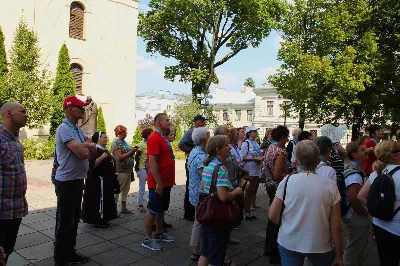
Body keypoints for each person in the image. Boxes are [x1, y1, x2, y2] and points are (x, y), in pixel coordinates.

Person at [268, 140, 344, 266]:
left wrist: (288, 224)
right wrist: (339, 255)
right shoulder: (330, 185)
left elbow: (272, 216)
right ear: (318, 160)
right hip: (320, 244)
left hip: (289, 241)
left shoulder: (287, 181)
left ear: (297, 160)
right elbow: (336, 227)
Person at [54, 96, 96, 265]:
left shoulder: (76, 129)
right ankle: (61, 258)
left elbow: (90, 151)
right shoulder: (65, 129)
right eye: (80, 108)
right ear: (70, 109)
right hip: (67, 182)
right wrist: (87, 146)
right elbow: (83, 153)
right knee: (65, 222)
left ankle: (70, 253)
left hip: (77, 180)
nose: (83, 110)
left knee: (73, 220)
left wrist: (86, 146)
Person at [199, 135, 243, 266]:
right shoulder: (221, 169)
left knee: (205, 253)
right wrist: (236, 192)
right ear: (218, 149)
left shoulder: (209, 165)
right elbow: (223, 196)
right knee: (216, 257)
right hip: (218, 217)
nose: (230, 148)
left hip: (208, 215)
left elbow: (203, 187)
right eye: (227, 145)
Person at [358, 140, 400, 266]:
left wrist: (376, 211)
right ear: (394, 155)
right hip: (397, 228)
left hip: (380, 226)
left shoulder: (376, 173)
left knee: (386, 261)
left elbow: (360, 196)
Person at [0, 102, 28, 265]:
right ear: (9, 114)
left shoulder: (16, 140)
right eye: (22, 111)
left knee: (7, 251)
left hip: (15, 209)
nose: (26, 115)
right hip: (1, 212)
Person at [142, 113, 175, 251]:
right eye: (166, 120)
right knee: (153, 209)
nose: (169, 122)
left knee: (161, 208)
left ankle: (159, 233)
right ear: (158, 123)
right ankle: (147, 239)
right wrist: (158, 182)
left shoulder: (162, 137)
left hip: (165, 181)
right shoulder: (155, 138)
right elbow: (152, 162)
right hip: (158, 182)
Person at [340, 141, 369, 266]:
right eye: (363, 150)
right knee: (355, 246)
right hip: (355, 215)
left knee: (355, 243)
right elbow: (354, 198)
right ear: (354, 155)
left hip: (353, 214)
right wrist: (364, 213)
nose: (366, 150)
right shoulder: (355, 175)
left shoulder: (354, 168)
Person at [82, 132, 118, 228]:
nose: (106, 139)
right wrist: (102, 158)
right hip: (97, 181)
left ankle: (104, 218)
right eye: (104, 137)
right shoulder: (94, 150)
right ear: (98, 139)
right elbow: (92, 165)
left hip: (105, 180)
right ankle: (98, 220)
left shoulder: (103, 149)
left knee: (105, 200)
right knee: (98, 201)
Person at [187, 127, 210, 262]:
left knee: (199, 220)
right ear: (204, 139)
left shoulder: (196, 151)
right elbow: (205, 177)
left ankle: (197, 249)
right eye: (209, 136)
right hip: (200, 193)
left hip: (196, 191)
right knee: (199, 221)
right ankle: (195, 250)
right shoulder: (199, 156)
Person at [179, 115, 207, 221]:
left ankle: (191, 211)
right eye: (201, 121)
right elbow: (181, 144)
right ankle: (189, 212)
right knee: (191, 185)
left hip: (195, 158)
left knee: (192, 185)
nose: (203, 123)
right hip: (195, 160)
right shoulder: (192, 132)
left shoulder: (199, 131)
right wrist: (190, 151)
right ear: (195, 122)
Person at [111, 125, 137, 214]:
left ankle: (123, 208)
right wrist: (131, 152)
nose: (126, 134)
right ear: (119, 133)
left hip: (127, 170)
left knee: (125, 190)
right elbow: (119, 157)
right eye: (124, 132)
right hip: (121, 170)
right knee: (118, 190)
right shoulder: (116, 143)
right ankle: (113, 210)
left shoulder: (123, 141)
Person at [240, 125, 263, 221]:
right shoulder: (246, 143)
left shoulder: (256, 142)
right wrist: (254, 159)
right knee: (248, 191)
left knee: (252, 191)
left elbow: (258, 153)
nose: (256, 132)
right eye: (254, 131)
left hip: (256, 170)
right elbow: (243, 158)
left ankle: (247, 211)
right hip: (249, 171)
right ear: (249, 133)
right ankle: (245, 211)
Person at [264, 125, 290, 205]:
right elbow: (277, 176)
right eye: (287, 137)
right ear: (282, 137)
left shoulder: (271, 147)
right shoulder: (279, 152)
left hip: (269, 184)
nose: (287, 139)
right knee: (278, 211)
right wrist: (291, 175)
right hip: (277, 186)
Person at [135, 128, 153, 213]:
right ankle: (140, 204)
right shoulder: (141, 144)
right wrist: (137, 168)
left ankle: (150, 203)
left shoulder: (152, 143)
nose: (152, 135)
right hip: (143, 168)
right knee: (142, 186)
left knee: (151, 186)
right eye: (150, 133)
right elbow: (136, 156)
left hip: (151, 167)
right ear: (146, 135)